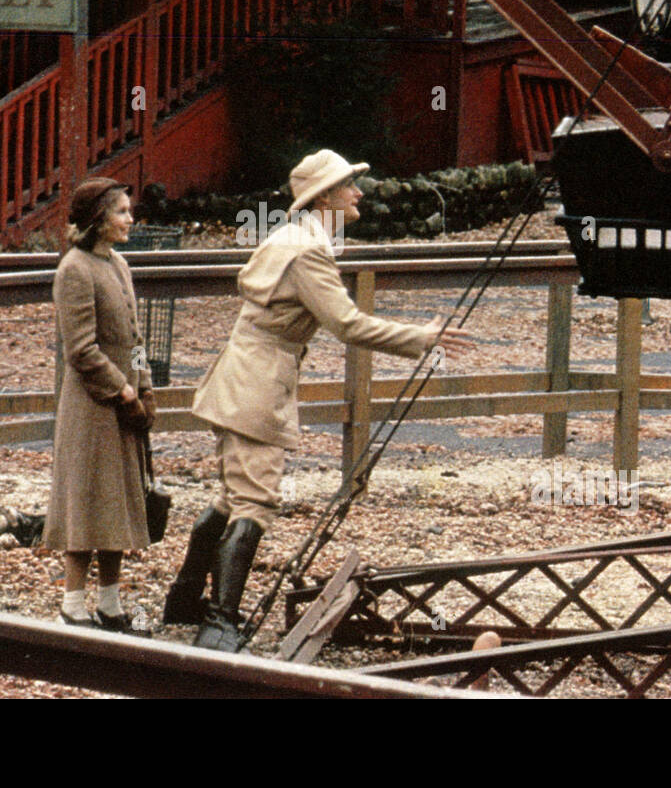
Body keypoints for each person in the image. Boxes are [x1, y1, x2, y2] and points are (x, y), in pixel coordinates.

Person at [166, 149, 475, 651]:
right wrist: (420, 337)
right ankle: (219, 624)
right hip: (256, 385)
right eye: (349, 185)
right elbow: (347, 324)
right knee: (255, 501)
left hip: (243, 375)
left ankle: (183, 601)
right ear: (325, 197)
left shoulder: (294, 238)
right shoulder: (308, 250)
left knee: (229, 496)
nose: (358, 193)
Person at [43, 177, 157, 633]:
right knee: (86, 501)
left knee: (118, 503)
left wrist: (145, 385)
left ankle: (109, 604)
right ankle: (73, 604)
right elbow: (81, 349)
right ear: (98, 220)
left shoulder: (120, 265)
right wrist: (122, 390)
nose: (130, 219)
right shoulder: (75, 268)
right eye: (122, 212)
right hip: (93, 405)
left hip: (125, 403)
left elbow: (134, 337)